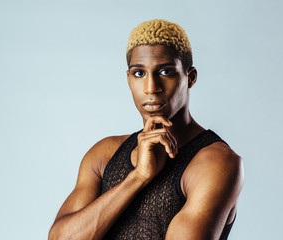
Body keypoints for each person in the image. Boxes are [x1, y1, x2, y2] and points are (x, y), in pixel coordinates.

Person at [48, 19, 244, 240]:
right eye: (139, 73)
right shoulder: (104, 154)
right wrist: (138, 177)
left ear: (190, 78)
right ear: (129, 78)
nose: (151, 88)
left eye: (166, 72)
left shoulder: (215, 163)